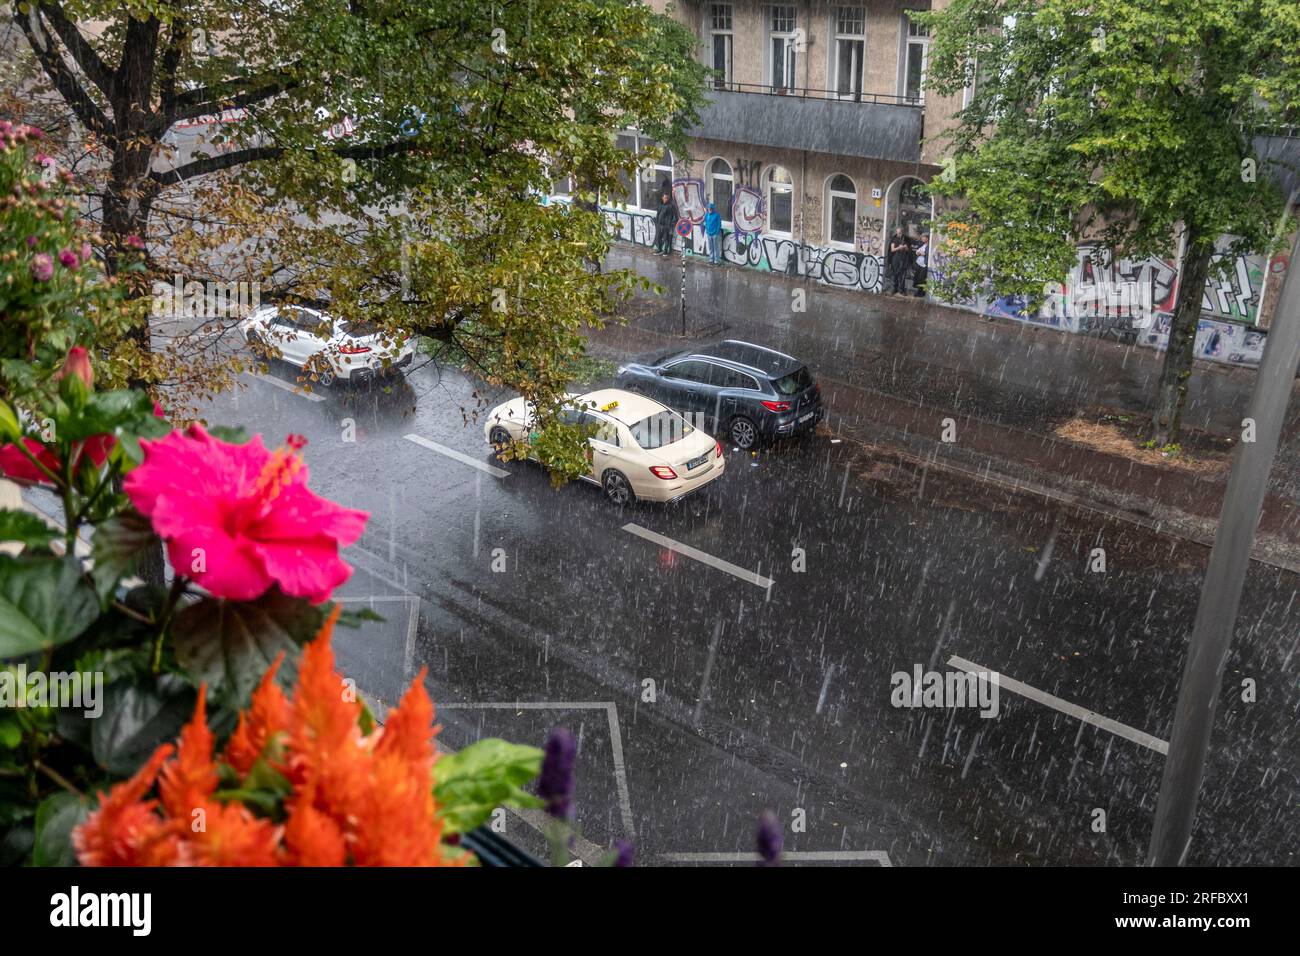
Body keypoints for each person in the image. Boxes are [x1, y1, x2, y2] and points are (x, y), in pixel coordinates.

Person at [887, 228, 913, 295]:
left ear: (902, 232)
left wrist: (904, 247)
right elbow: (892, 249)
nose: (899, 234)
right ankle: (894, 288)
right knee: (895, 273)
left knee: (902, 274)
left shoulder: (906, 239)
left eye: (900, 233)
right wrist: (899, 247)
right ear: (896, 232)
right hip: (896, 258)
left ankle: (901, 289)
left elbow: (908, 250)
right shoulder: (894, 238)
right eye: (898, 233)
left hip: (903, 258)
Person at [653, 191, 677, 256]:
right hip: (660, 224)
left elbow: (674, 216)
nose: (666, 199)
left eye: (667, 198)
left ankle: (665, 251)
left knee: (666, 238)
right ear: (662, 198)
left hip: (666, 225)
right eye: (665, 198)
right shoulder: (660, 205)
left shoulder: (670, 206)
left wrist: (671, 224)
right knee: (658, 237)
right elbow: (658, 214)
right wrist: (657, 221)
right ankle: (659, 249)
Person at [704, 201, 722, 265]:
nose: (710, 210)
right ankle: (711, 259)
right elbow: (705, 222)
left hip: (715, 234)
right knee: (710, 247)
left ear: (713, 209)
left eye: (711, 209)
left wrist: (716, 232)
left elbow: (719, 224)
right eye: (709, 209)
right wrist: (706, 230)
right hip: (709, 234)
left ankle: (716, 260)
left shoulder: (717, 215)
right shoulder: (707, 215)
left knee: (715, 247)